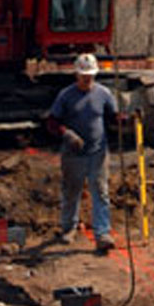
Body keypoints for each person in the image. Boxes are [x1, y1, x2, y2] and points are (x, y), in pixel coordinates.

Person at [47, 51, 117, 252]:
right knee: (71, 192)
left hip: (98, 152)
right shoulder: (66, 96)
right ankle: (69, 228)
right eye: (84, 76)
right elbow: (52, 122)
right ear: (76, 75)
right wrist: (67, 134)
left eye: (90, 76)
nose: (87, 79)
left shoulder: (103, 94)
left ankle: (102, 233)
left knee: (101, 192)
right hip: (73, 155)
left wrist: (126, 121)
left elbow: (112, 118)